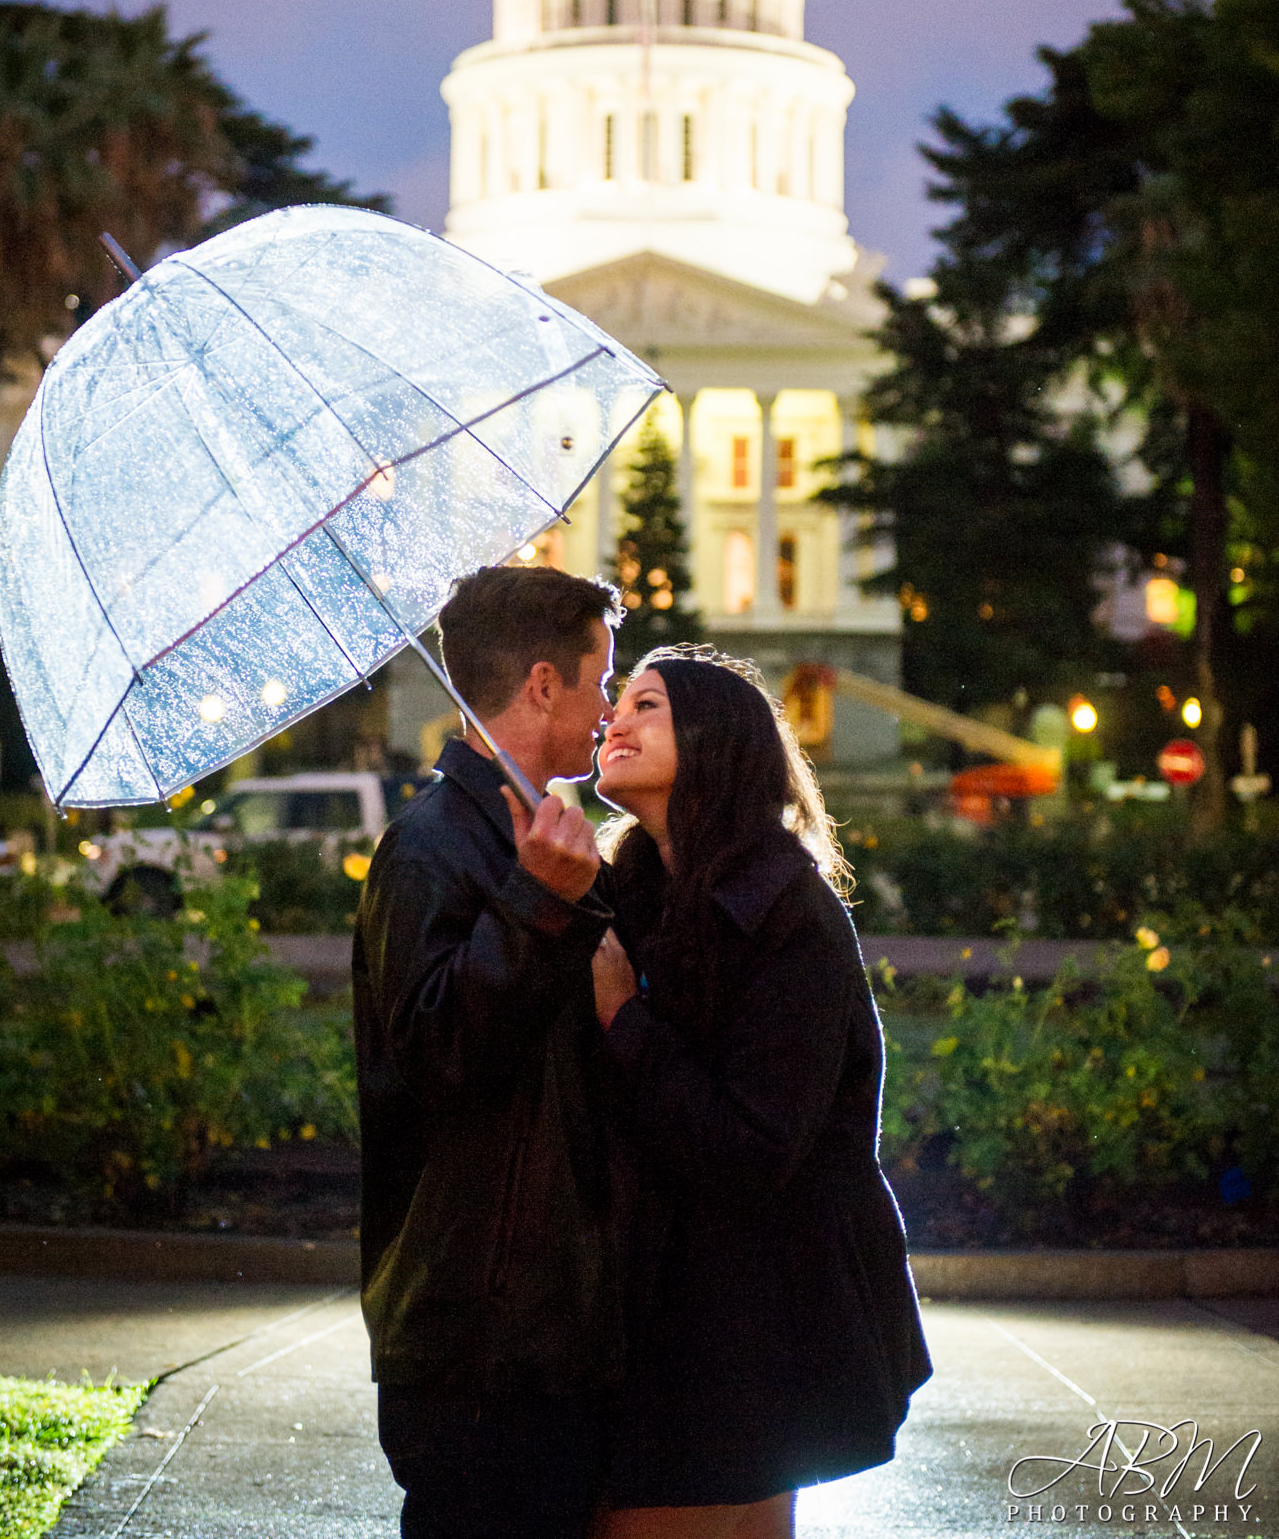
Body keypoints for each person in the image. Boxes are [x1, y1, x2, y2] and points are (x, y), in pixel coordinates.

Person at [588, 646, 932, 1538]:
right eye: (615, 704)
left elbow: (752, 1147)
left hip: (759, 1319)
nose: (612, 722)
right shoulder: (636, 891)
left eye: (646, 705)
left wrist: (623, 1017)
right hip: (692, 1311)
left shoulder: (784, 911)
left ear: (715, 740)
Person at [353, 564, 625, 1539]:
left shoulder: (524, 831)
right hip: (476, 1337)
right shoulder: (430, 845)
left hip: (537, 1327)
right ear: (542, 682)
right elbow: (435, 1058)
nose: (606, 707)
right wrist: (536, 903)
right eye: (599, 678)